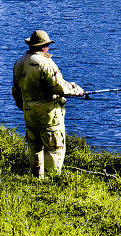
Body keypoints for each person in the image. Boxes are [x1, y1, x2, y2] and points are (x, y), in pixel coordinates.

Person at [13, 30, 87, 178]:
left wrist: (25, 108)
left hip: (29, 115)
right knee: (54, 149)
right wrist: (77, 90)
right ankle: (51, 181)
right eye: (47, 45)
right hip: (49, 117)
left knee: (34, 147)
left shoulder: (19, 63)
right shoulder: (46, 63)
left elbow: (16, 91)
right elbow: (60, 87)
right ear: (44, 46)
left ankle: (36, 178)